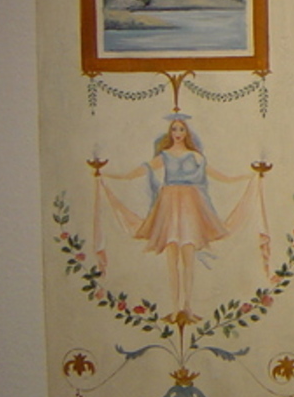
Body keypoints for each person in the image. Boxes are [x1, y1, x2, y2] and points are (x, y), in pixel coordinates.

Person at [98, 116, 257, 319]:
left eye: (181, 129)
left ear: (186, 133)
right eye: (174, 129)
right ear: (170, 132)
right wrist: (110, 176)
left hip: (190, 206)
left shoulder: (195, 156)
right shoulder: (164, 156)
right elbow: (139, 171)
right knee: (171, 258)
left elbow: (221, 176)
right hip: (169, 206)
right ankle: (174, 309)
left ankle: (187, 306)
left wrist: (249, 177)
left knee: (188, 258)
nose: (178, 133)